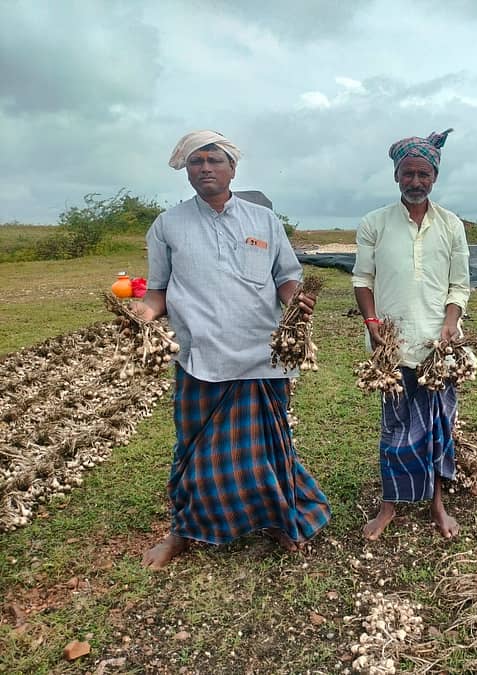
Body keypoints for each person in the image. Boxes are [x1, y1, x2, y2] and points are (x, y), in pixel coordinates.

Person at [134, 130, 331, 570]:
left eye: (214, 160)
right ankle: (183, 530)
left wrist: (297, 299)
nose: (205, 168)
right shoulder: (168, 225)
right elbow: (158, 291)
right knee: (193, 448)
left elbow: (286, 277)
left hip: (263, 354)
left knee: (270, 446)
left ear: (232, 169)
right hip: (200, 356)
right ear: (186, 172)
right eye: (195, 162)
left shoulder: (263, 222)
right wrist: (141, 316)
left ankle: (279, 518)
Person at [351, 129, 471, 540]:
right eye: (408, 173)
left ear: (434, 177)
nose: (416, 181)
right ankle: (390, 505)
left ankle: (437, 503)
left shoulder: (452, 225)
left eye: (423, 174)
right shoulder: (374, 224)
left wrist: (451, 322)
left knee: (439, 425)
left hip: (439, 348)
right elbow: (362, 280)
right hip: (392, 347)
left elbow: (460, 285)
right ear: (396, 175)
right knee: (395, 427)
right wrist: (372, 324)